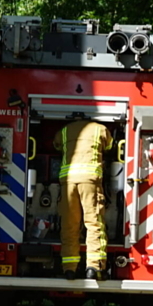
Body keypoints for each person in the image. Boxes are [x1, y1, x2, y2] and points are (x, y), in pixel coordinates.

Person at [54, 119, 113, 280]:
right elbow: (109, 146)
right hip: (90, 181)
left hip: (68, 182)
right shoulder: (100, 129)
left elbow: (56, 145)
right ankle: (94, 267)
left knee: (69, 225)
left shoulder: (65, 130)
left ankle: (69, 268)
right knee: (93, 223)